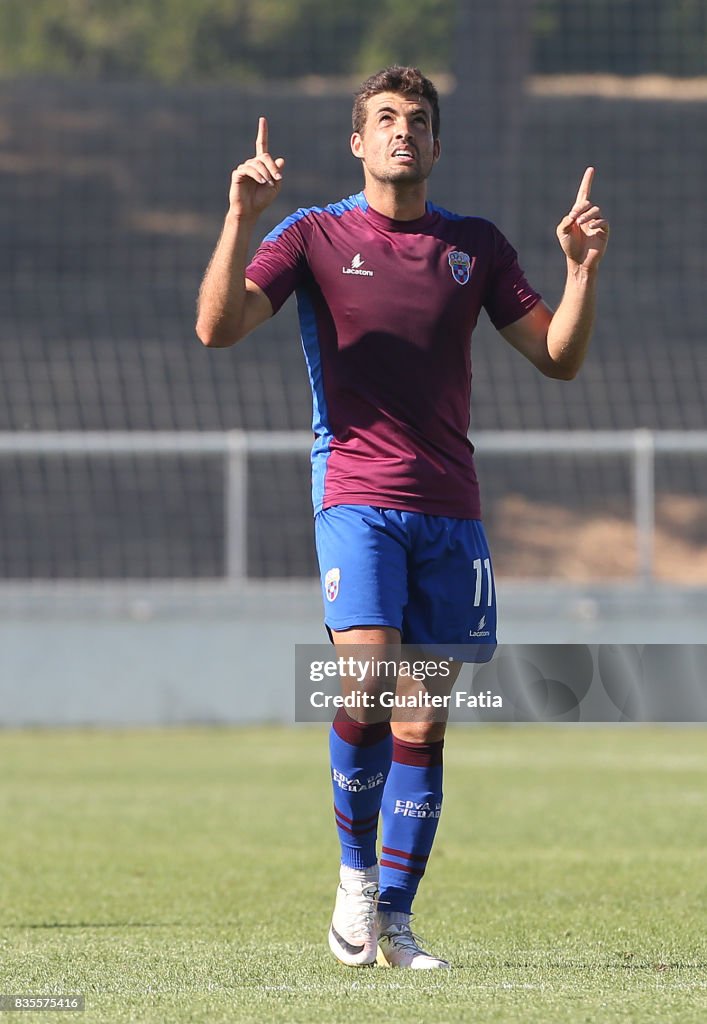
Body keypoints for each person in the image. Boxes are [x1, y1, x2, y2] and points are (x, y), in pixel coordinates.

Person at [196, 65, 609, 969]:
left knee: (425, 722)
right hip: (355, 495)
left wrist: (579, 273)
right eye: (384, 119)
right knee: (367, 680)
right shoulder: (311, 234)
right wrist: (239, 220)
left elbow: (556, 358)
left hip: (449, 510)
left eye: (417, 121)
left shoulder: (477, 247)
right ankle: (351, 878)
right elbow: (217, 328)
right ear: (357, 141)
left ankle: (393, 919)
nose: (401, 133)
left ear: (435, 141)